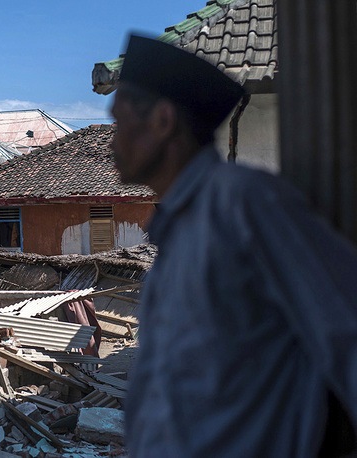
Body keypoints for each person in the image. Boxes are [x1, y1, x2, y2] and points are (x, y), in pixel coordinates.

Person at [112, 34, 357, 457]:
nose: (110, 139)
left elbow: (346, 333)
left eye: (120, 121)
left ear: (163, 121)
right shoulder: (175, 235)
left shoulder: (246, 204)